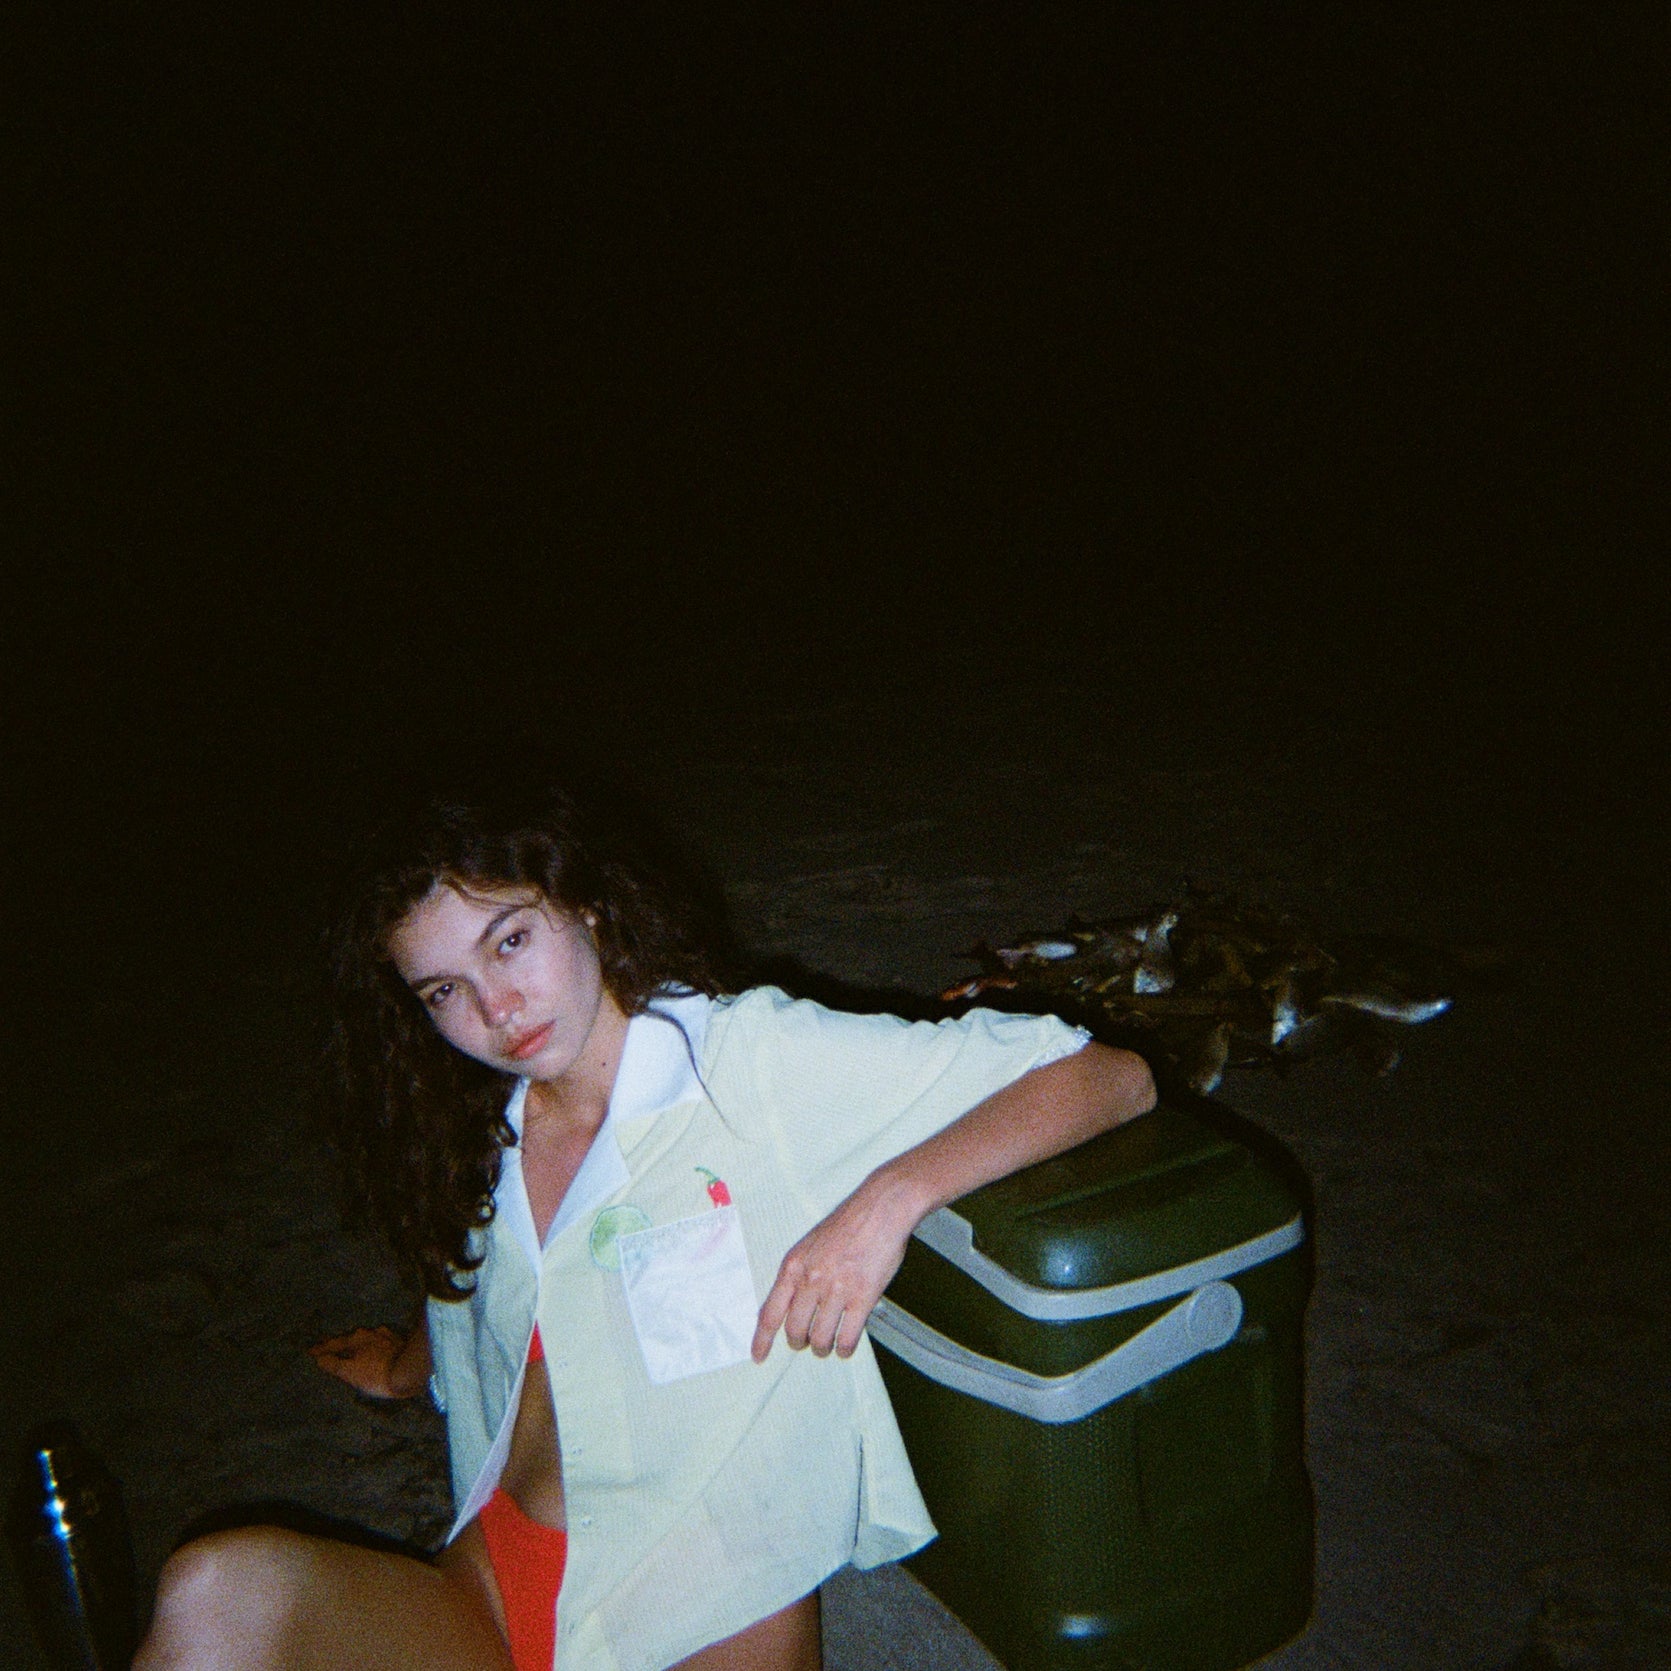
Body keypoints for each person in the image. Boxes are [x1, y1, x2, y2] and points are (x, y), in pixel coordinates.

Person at [136, 785, 1156, 1671]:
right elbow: (497, 1291)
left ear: (580, 900)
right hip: (497, 1584)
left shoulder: (746, 1062)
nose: (496, 1008)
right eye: (445, 989)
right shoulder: (487, 1124)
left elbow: (1109, 1077)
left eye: (511, 940)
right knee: (217, 1585)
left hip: (702, 1608)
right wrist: (410, 1367)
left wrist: (886, 1203)